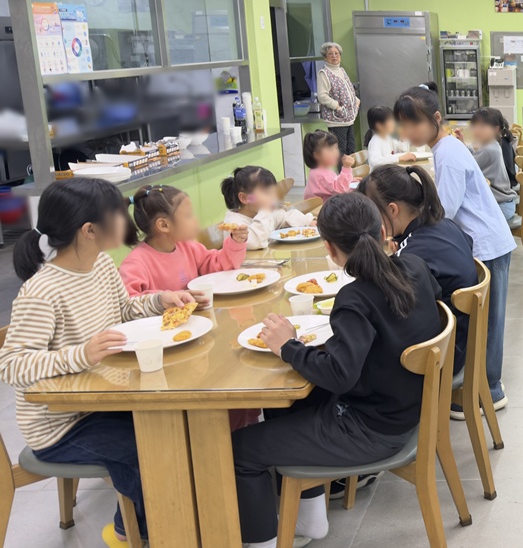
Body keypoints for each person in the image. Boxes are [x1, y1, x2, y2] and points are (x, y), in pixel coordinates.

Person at [231, 193, 445, 548]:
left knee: (241, 450)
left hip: (374, 430)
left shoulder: (354, 299)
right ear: (382, 230)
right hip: (409, 409)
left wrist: (288, 346)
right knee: (288, 405)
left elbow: (339, 376)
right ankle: (311, 520)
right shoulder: (415, 266)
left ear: (329, 249)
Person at [0, 178, 195, 547]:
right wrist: (82, 354)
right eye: (117, 215)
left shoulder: (102, 264)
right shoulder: (42, 291)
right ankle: (135, 531)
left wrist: (160, 300)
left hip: (103, 400)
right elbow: (11, 364)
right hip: (59, 425)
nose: (126, 222)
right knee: (150, 446)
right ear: (89, 230)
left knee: (176, 423)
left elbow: (124, 310)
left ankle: (173, 516)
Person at [395, 82, 516, 412]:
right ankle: (483, 386)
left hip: (488, 243)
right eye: (404, 124)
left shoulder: (447, 154)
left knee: (488, 323)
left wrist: (407, 229)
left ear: (436, 119)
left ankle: (491, 391)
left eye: (415, 122)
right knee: (485, 322)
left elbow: (443, 210)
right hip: (484, 239)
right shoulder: (445, 147)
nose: (409, 131)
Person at [359, 164, 478, 376]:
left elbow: (392, 307)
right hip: (461, 341)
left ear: (393, 210)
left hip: (440, 356)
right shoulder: (443, 224)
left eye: (373, 213)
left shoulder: (413, 254)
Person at [119, 184, 248, 295]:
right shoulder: (136, 264)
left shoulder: (188, 247)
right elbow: (129, 304)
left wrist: (236, 241)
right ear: (164, 225)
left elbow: (219, 265)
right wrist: (164, 298)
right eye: (188, 215)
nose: (195, 220)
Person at [222, 165, 314, 251]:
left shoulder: (261, 213)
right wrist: (265, 210)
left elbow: (284, 216)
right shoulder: (234, 224)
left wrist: (308, 221)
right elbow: (255, 242)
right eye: (266, 192)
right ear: (245, 198)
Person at [463, 107, 520, 225]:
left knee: (463, 218)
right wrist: (463, 144)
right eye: (475, 125)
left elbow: (465, 167)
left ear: (495, 129)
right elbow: (473, 150)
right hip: (503, 203)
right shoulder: (491, 144)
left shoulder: (489, 149)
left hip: (500, 206)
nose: (477, 130)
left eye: (483, 126)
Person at [315, 42, 360, 155]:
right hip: (337, 120)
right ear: (325, 57)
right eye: (330, 54)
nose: (334, 56)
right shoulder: (324, 73)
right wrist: (337, 107)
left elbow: (348, 89)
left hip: (348, 118)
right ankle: (341, 168)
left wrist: (356, 101)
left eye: (336, 53)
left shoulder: (341, 70)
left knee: (351, 148)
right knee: (341, 151)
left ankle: (350, 168)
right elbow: (322, 96)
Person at [303, 130, 355, 201]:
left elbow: (333, 183)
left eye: (336, 148)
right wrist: (346, 168)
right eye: (330, 149)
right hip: (325, 207)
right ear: (317, 155)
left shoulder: (322, 170)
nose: (336, 152)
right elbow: (340, 190)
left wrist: (349, 181)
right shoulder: (319, 175)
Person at [364, 105, 415, 170]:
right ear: (379, 125)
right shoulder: (376, 141)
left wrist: (403, 138)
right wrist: (398, 158)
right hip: (380, 175)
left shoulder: (387, 137)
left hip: (388, 173)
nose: (394, 123)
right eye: (390, 121)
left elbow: (401, 151)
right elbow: (375, 161)